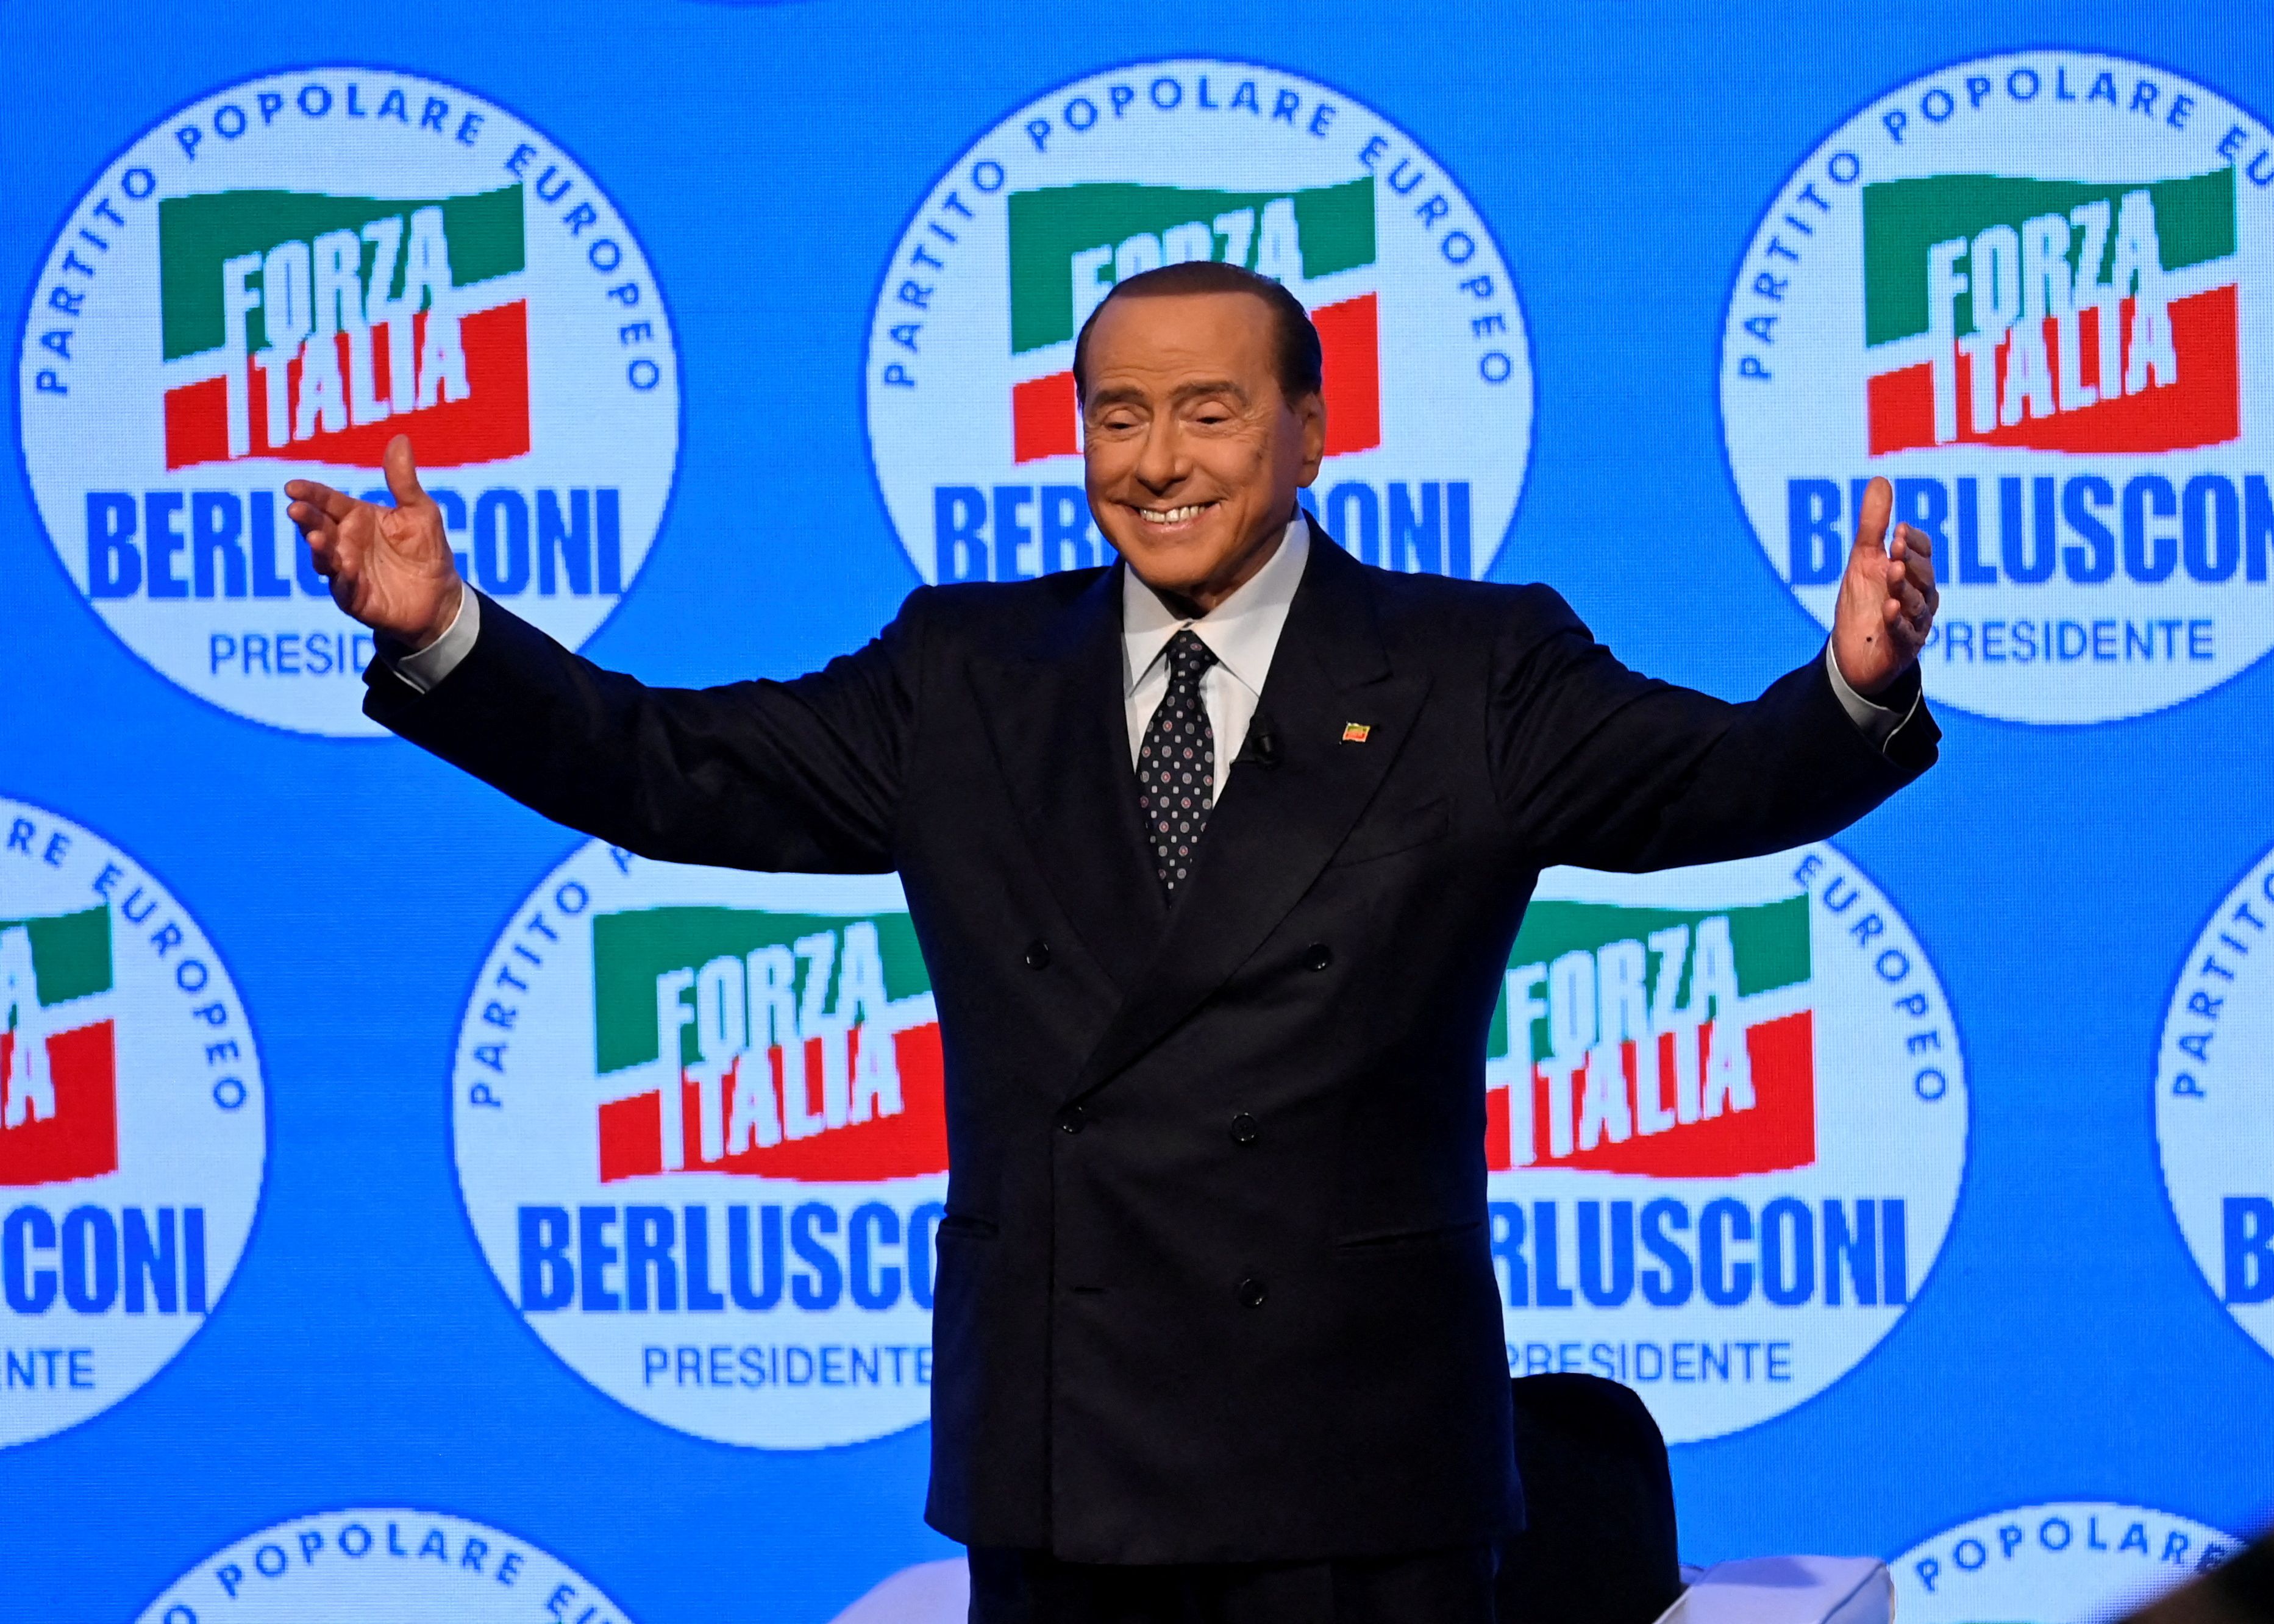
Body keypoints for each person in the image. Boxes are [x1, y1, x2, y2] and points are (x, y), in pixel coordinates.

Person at [287, 260, 1939, 1624]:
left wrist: (1850, 690)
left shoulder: (1467, 666)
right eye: (1118, 415)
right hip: (1066, 1453)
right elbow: (670, 769)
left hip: (1360, 1464)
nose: (1158, 461)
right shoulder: (967, 671)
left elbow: (1712, 782)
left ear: (1311, 429)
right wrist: (448, 637)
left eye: (1211, 411)